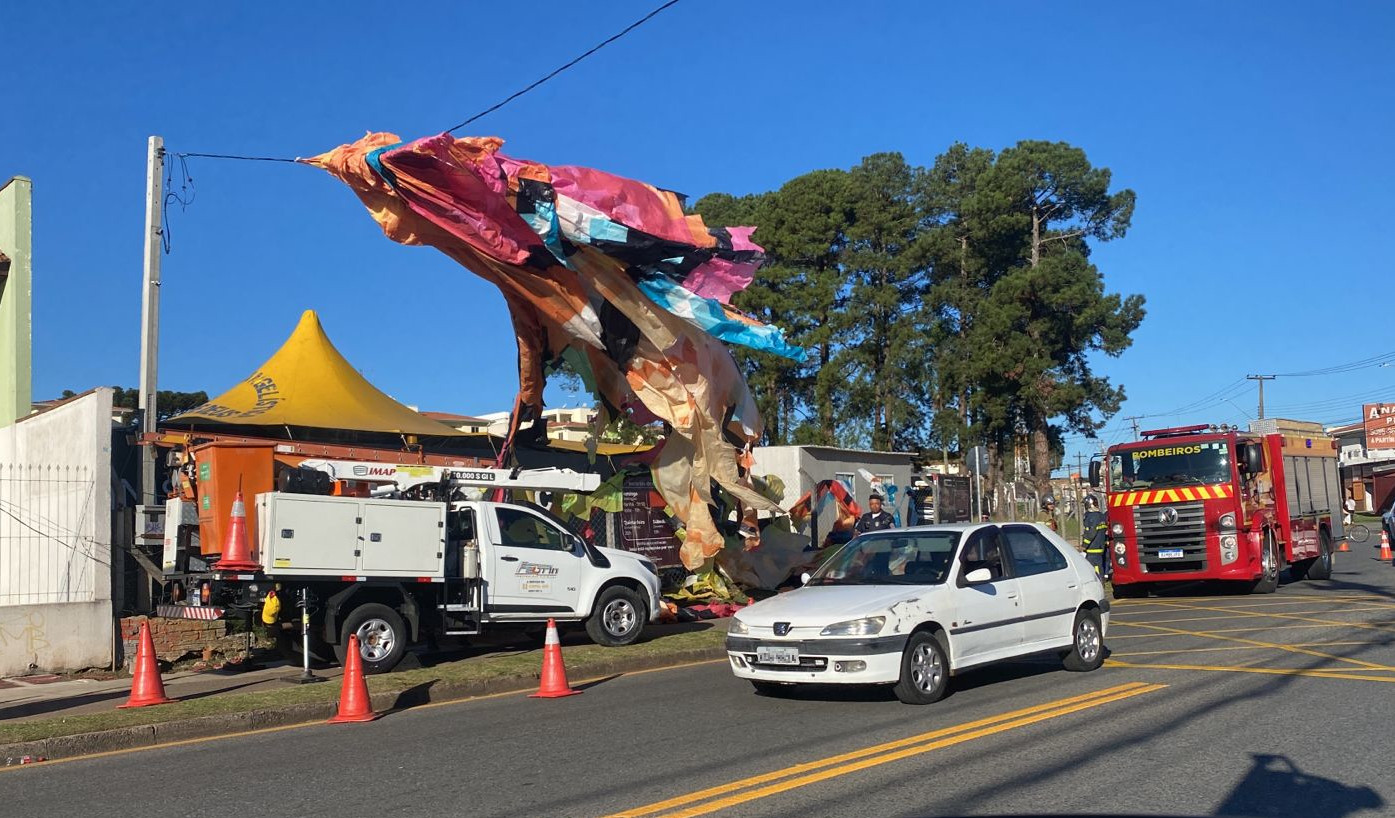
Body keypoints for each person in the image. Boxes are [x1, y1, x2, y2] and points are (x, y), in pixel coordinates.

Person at [1082, 494, 1109, 577]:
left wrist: (1084, 545)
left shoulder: (1092, 517)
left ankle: (1099, 582)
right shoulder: (1101, 516)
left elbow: (1091, 533)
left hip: (1093, 548)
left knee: (1093, 568)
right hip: (1100, 546)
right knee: (1099, 565)